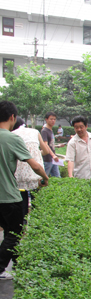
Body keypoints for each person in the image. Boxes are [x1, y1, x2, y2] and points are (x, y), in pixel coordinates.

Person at [0, 101, 49, 280]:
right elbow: (35, 165)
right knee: (15, 233)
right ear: (12, 117)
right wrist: (45, 178)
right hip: (8, 195)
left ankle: (15, 264)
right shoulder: (12, 138)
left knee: (8, 232)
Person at [12, 117, 53, 216]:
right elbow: (46, 151)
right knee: (36, 203)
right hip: (37, 172)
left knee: (22, 204)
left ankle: (23, 222)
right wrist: (34, 155)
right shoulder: (35, 132)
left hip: (20, 174)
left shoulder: (13, 134)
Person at [41, 111, 60, 178]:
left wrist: (57, 146)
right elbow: (45, 144)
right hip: (47, 158)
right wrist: (53, 155)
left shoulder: (50, 130)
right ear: (46, 119)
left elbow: (50, 144)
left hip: (53, 159)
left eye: (54, 119)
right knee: (44, 177)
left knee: (57, 177)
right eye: (51, 119)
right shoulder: (44, 131)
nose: (53, 121)